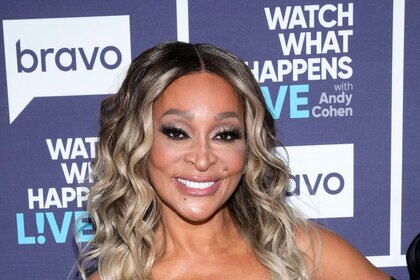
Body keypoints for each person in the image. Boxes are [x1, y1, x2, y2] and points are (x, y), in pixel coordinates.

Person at [78, 41, 392, 279]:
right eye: (176, 132)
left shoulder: (303, 251)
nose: (202, 159)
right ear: (137, 141)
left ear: (249, 147)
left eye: (225, 135)